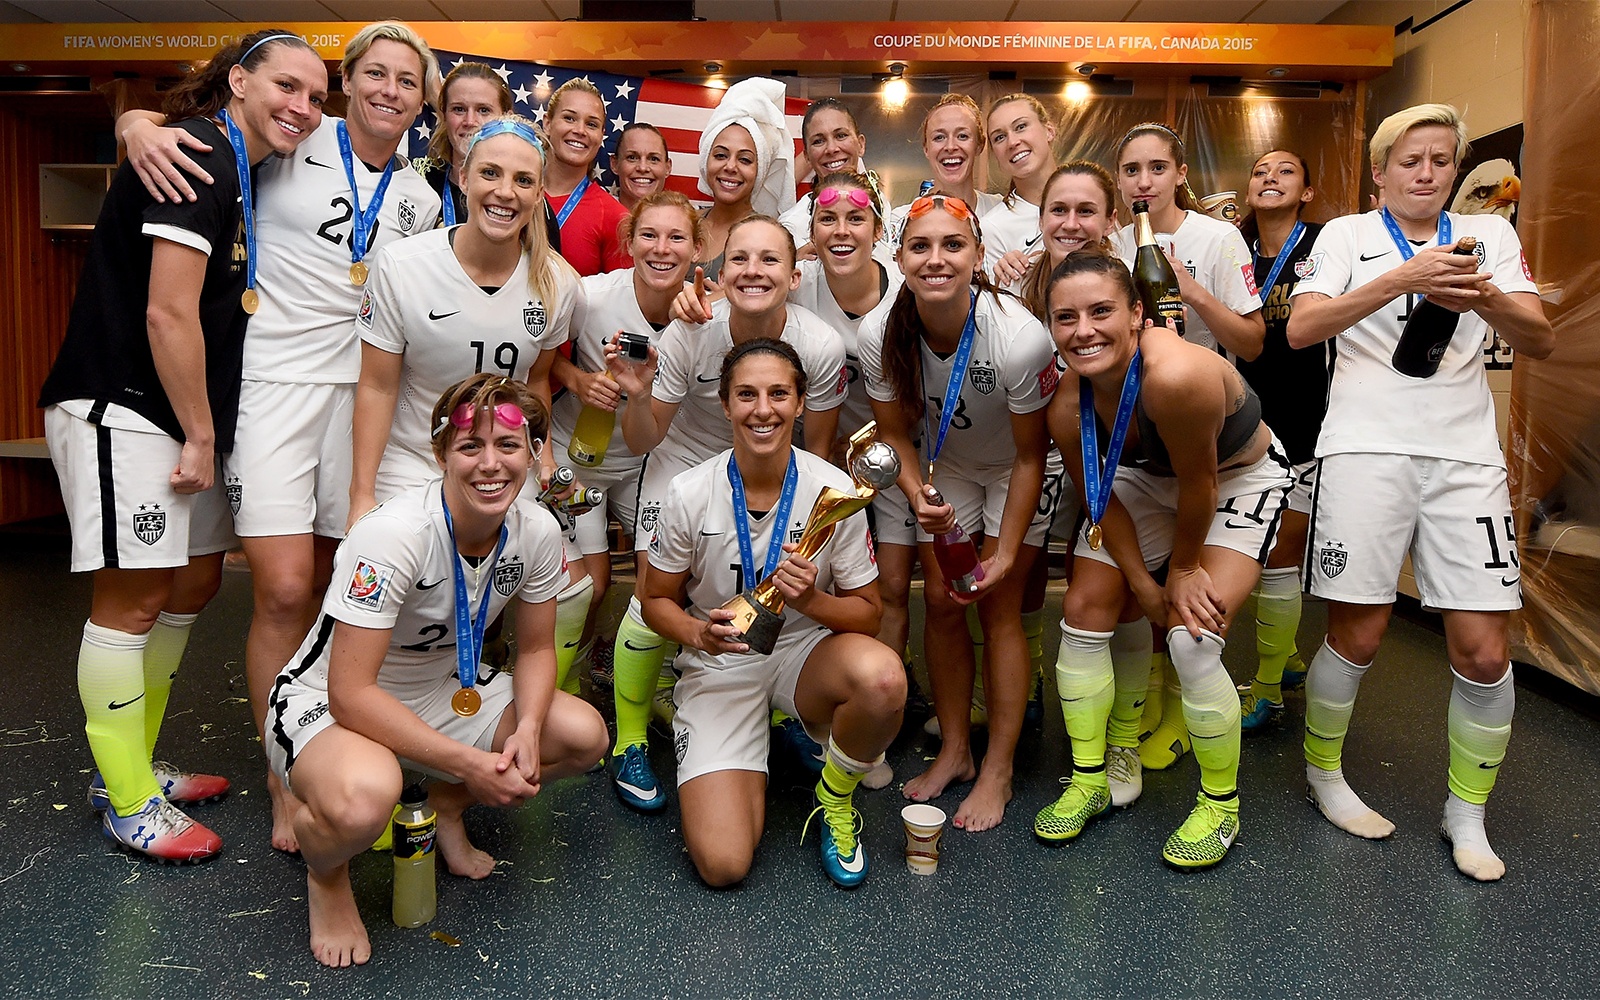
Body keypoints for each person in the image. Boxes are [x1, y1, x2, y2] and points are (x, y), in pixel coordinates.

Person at [117, 21, 444, 853]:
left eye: (408, 81)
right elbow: (197, 135)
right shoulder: (290, 143)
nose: (390, 91)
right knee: (285, 587)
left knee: (338, 586)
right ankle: (280, 769)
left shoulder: (420, 199)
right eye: (375, 74)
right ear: (349, 81)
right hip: (271, 388)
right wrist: (135, 124)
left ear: (423, 102)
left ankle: (327, 749)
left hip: (364, 401)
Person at [38, 31, 327, 862]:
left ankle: (133, 762)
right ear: (238, 79)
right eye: (286, 86)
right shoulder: (200, 153)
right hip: (125, 404)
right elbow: (168, 312)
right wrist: (203, 433)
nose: (302, 108)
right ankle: (125, 797)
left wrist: (134, 119)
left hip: (175, 416)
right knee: (129, 600)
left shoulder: (234, 162)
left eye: (314, 96)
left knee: (193, 584)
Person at [1287, 103, 1552, 881]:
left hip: (1464, 458)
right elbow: (1302, 330)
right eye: (1410, 160)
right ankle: (1324, 775)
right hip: (1365, 450)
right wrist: (1403, 278)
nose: (1427, 173)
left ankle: (1465, 814)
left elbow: (1540, 337)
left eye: (1441, 160)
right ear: (1380, 171)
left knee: (1482, 650)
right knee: (1361, 635)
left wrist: (1485, 294)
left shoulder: (1490, 238)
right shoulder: (1346, 237)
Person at [265, 374, 608, 967]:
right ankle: (326, 873)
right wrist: (476, 765)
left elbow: (534, 651)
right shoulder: (393, 536)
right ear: (441, 453)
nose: (490, 464)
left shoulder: (538, 530)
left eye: (508, 445)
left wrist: (525, 730)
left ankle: (446, 807)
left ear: (533, 451)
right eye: (470, 446)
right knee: (364, 800)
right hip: (328, 701)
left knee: (582, 737)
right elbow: (351, 694)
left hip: (446, 690)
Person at [1038, 249, 1292, 868]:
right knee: (1082, 610)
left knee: (1192, 636)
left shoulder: (1176, 376)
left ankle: (1219, 803)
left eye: (1102, 311)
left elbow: (1200, 484)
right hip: (1145, 480)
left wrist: (1178, 575)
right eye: (1066, 317)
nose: (1084, 330)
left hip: (1236, 477)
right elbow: (1103, 502)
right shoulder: (1067, 408)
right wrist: (1141, 587)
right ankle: (1091, 775)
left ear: (1137, 315)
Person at [604, 214, 847, 812]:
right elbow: (645, 439)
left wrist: (801, 516)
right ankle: (631, 737)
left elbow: (817, 449)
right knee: (654, 584)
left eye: (770, 260)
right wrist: (636, 396)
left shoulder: (820, 344)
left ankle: (777, 704)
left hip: (776, 460)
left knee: (775, 578)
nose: (753, 271)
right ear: (718, 270)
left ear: (795, 276)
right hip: (686, 459)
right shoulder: (694, 326)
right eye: (739, 258)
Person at [640, 338, 904, 887]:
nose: (764, 410)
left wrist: (812, 600)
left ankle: (834, 796)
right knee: (724, 865)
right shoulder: (688, 492)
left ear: (802, 402)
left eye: (779, 393)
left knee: (882, 679)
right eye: (747, 395)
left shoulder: (834, 491)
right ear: (725, 403)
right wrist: (697, 633)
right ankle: (761, 744)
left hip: (802, 651)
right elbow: (654, 599)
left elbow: (870, 616)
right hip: (720, 659)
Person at [860, 194, 1056, 832]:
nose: (936, 259)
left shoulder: (1020, 338)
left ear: (977, 255)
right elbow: (892, 433)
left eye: (953, 245)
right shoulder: (879, 331)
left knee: (997, 605)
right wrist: (915, 493)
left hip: (1015, 469)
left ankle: (997, 769)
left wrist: (1004, 554)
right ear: (900, 256)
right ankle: (956, 750)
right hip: (946, 467)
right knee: (943, 604)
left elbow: (1031, 455)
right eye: (920, 246)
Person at [1110, 122, 1266, 775]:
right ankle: (1146, 700)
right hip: (1136, 431)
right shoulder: (1111, 244)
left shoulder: (1218, 237)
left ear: (1178, 172)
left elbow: (1253, 341)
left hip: (1205, 427)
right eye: (1130, 170)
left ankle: (1180, 714)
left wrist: (1188, 286)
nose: (1143, 181)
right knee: (1133, 584)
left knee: (1189, 575)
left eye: (1155, 168)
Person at [547, 191, 701, 764]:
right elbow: (541, 362)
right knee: (586, 586)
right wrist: (579, 378)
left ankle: (652, 688)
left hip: (650, 461)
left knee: (659, 584)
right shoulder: (590, 296)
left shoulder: (701, 309)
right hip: (575, 456)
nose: (662, 250)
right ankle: (562, 692)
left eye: (676, 238)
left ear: (696, 249)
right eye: (649, 236)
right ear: (628, 242)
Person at [1232, 149, 1328, 731]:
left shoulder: (1327, 245)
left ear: (1308, 192)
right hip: (1246, 416)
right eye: (1260, 171)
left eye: (1287, 171)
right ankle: (1285, 657)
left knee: (1279, 552)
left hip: (1311, 418)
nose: (1269, 178)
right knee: (1256, 546)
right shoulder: (1233, 248)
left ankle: (1266, 687)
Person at [415, 60, 562, 249]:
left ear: (506, 116)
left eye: (483, 110)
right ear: (444, 115)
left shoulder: (531, 206)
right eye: (459, 109)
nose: (470, 121)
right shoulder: (422, 180)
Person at [694, 78, 798, 284]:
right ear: (706, 161)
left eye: (745, 159)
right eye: (721, 155)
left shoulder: (770, 235)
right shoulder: (685, 222)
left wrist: (723, 299)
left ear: (760, 171)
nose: (731, 167)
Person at [540, 78, 632, 276]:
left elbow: (621, 300)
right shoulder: (515, 194)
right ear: (547, 123)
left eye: (591, 124)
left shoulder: (616, 218)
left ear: (601, 135)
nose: (580, 131)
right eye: (569, 118)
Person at [776, 99, 891, 256]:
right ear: (807, 157)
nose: (831, 148)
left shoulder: (885, 206)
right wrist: (791, 265)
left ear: (861, 144)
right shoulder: (791, 226)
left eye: (841, 135)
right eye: (819, 141)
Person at [887, 94, 1005, 240]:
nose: (950, 146)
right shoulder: (900, 221)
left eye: (962, 136)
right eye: (939, 137)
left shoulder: (1002, 210)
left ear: (979, 145)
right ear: (926, 148)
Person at [979, 94, 1059, 279]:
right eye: (999, 137)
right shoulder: (993, 228)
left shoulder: (1090, 202)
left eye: (1021, 127)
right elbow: (997, 305)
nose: (1013, 142)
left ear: (1049, 130)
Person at [612, 122, 673, 213]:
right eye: (632, 157)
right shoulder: (593, 213)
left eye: (653, 159)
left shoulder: (686, 222)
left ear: (668, 167)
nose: (643, 168)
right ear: (615, 164)